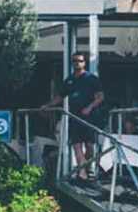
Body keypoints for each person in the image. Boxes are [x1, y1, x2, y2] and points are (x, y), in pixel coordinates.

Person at [42, 52, 105, 181]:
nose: (78, 63)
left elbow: (100, 97)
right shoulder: (69, 80)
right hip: (73, 116)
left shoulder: (91, 78)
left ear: (84, 62)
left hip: (89, 117)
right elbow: (60, 97)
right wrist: (47, 105)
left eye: (80, 61)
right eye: (75, 61)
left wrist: (89, 107)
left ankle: (87, 168)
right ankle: (81, 172)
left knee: (89, 145)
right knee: (76, 144)